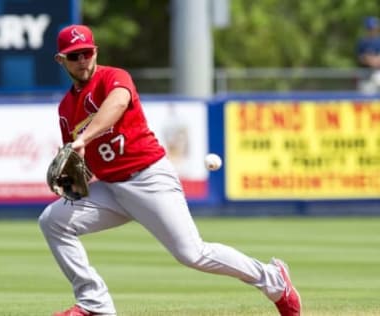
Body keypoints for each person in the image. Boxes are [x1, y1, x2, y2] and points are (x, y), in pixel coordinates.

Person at [39, 24, 301, 316]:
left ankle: (274, 280)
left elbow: (117, 104)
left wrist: (84, 138)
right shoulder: (65, 109)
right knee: (53, 221)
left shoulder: (113, 77)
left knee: (194, 254)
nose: (83, 60)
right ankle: (94, 305)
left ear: (95, 51)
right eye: (74, 56)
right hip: (112, 190)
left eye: (87, 52)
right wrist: (72, 178)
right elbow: (81, 163)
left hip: (148, 178)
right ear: (61, 60)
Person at [356, 16, 380, 94]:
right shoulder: (362, 42)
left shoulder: (378, 41)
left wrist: (374, 60)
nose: (372, 30)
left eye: (374, 28)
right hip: (365, 74)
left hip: (377, 73)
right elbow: (360, 58)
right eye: (370, 28)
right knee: (366, 97)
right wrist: (369, 60)